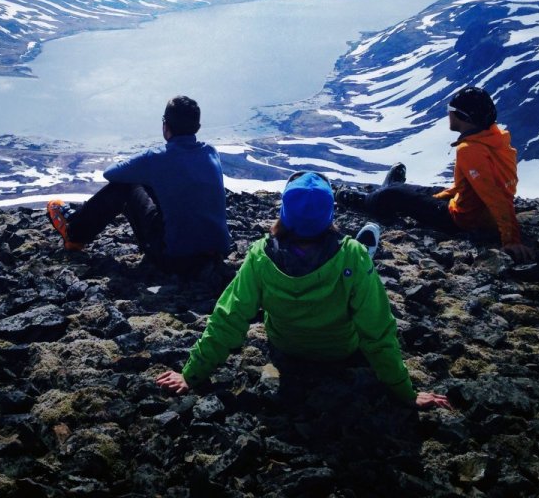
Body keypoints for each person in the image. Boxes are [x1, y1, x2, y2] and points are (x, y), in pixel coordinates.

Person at [156, 171, 450, 410]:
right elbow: (377, 329)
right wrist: (405, 391)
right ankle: (363, 259)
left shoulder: (260, 255)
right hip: (340, 350)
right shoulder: (352, 255)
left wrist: (191, 374)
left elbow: (228, 318)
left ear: (284, 212)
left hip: (286, 345)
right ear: (330, 214)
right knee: (355, 266)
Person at [335, 85, 533, 263]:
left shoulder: (470, 150)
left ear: (464, 117)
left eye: (451, 110)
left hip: (463, 219)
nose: (448, 114)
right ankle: (391, 187)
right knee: (421, 191)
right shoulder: (496, 139)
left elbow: (494, 195)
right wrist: (444, 195)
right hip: (472, 204)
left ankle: (366, 200)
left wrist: (511, 239)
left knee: (392, 195)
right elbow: (482, 185)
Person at [47, 95, 232, 272]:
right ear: (197, 127)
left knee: (125, 186)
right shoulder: (211, 152)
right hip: (217, 251)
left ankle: (74, 233)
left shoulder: (156, 158)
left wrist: (144, 166)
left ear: (165, 125)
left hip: (174, 259)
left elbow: (111, 173)